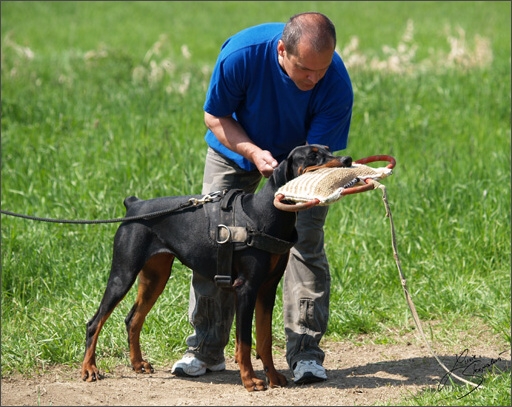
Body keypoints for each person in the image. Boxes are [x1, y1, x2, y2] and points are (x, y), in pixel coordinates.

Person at [171, 11, 353, 384]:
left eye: (322, 69)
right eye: (305, 69)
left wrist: (294, 177)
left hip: (301, 169)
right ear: (282, 50)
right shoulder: (242, 55)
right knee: (216, 238)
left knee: (305, 242)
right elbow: (214, 115)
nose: (314, 78)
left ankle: (304, 354)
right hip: (236, 148)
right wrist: (253, 152)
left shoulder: (334, 81)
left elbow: (317, 155)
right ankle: (205, 348)